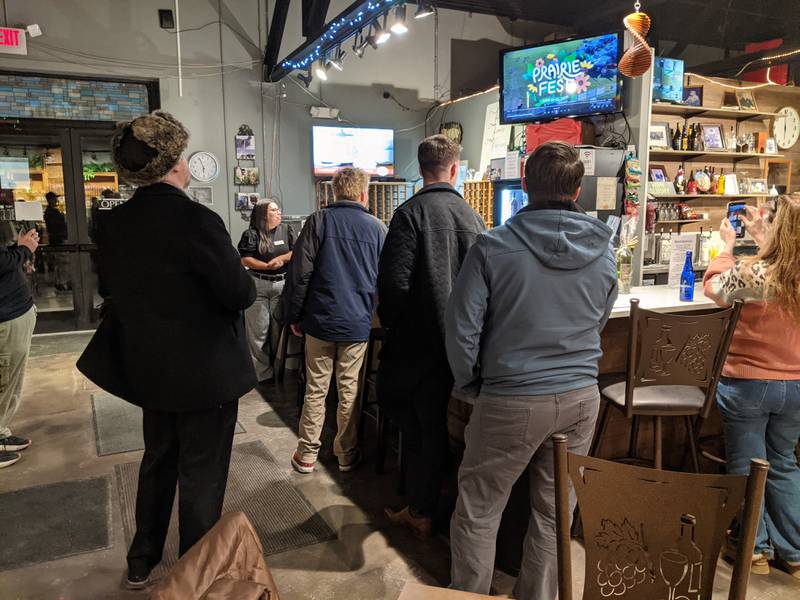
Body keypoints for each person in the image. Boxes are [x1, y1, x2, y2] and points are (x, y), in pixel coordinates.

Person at [77, 111, 256, 589]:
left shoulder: (113, 225)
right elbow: (238, 293)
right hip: (206, 373)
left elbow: (112, 289)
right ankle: (194, 572)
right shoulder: (198, 220)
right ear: (176, 164)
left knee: (158, 461)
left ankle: (142, 559)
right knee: (202, 474)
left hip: (149, 369)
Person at [446, 141, 618, 599]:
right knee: (555, 512)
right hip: (581, 397)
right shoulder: (604, 250)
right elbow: (600, 318)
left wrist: (470, 382)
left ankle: (469, 595)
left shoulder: (492, 246)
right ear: (578, 188)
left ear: (524, 185)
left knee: (480, 508)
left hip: (511, 396)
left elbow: (461, 329)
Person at [377, 134, 486, 537]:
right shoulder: (474, 219)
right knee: (437, 428)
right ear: (455, 169)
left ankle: (421, 509)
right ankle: (427, 502)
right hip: (460, 348)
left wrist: (395, 330)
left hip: (418, 347)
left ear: (420, 169)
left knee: (421, 428)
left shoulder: (409, 215)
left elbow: (393, 286)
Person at [704, 196, 800, 580]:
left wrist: (727, 248)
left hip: (748, 383)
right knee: (783, 462)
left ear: (779, 231)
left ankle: (753, 549)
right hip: (795, 386)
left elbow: (714, 288)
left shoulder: (757, 273)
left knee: (748, 463)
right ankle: (793, 551)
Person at [283, 167, 387, 474]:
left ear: (333, 191)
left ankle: (306, 454)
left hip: (320, 320)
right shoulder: (378, 228)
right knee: (349, 390)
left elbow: (300, 273)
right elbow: (387, 279)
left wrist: (295, 315)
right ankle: (346, 453)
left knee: (316, 388)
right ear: (364, 193)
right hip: (357, 323)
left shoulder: (319, 221)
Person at [238, 199, 295, 384]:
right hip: (258, 285)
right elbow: (245, 259)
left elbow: (295, 252)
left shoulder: (286, 230)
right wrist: (266, 266)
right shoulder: (251, 234)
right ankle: (262, 374)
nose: (279, 213)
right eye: (274, 210)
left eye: (279, 209)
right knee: (258, 333)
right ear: (263, 215)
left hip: (281, 285)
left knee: (278, 330)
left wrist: (280, 259)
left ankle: (279, 369)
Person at [0, 227, 39, 469]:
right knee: (4, 379)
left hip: (14, 313)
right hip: (5, 318)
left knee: (10, 379)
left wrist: (19, 251)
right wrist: (24, 250)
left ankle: (1, 433)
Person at [43, 191, 70, 292]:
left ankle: (60, 282)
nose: (56, 200)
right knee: (63, 262)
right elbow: (57, 228)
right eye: (55, 199)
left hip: (56, 240)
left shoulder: (49, 212)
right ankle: (62, 283)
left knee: (59, 263)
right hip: (59, 240)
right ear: (50, 200)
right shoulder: (52, 213)